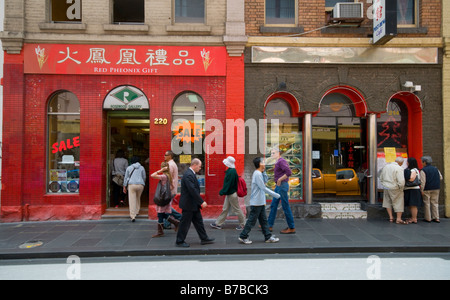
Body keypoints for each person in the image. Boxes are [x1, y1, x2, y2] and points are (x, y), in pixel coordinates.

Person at [239, 157, 280, 244]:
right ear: (259, 164)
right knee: (252, 221)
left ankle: (268, 236)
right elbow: (263, 187)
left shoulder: (260, 173)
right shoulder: (257, 174)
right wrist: (275, 195)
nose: (264, 163)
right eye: (263, 162)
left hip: (260, 202)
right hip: (256, 202)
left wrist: (264, 171)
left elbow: (265, 180)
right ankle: (243, 236)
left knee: (263, 220)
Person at [176, 159, 215, 247]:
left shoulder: (191, 174)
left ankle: (204, 238)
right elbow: (192, 190)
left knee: (199, 222)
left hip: (193, 204)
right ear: (195, 165)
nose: (200, 168)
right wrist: (201, 201)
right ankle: (179, 241)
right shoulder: (188, 175)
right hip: (188, 204)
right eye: (199, 166)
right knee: (185, 223)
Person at [210, 156, 246, 230]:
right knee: (226, 209)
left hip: (231, 194)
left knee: (236, 209)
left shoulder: (231, 171)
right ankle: (218, 223)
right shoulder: (232, 171)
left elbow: (228, 184)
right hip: (231, 193)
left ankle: (243, 224)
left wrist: (222, 191)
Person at [267, 148, 296, 234]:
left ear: (278, 153)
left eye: (273, 153)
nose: (272, 155)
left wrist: (279, 179)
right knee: (273, 205)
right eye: (271, 153)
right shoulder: (277, 162)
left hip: (282, 186)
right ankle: (269, 225)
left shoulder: (281, 161)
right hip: (279, 186)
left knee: (285, 206)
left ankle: (291, 227)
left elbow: (289, 172)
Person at [151, 161, 180, 237]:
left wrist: (160, 171)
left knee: (160, 214)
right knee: (162, 214)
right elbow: (172, 186)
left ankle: (160, 232)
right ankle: (176, 223)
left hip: (162, 198)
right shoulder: (169, 176)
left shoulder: (164, 177)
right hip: (167, 197)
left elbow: (152, 175)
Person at [379, 156, 407, 224]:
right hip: (395, 187)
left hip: (386, 187)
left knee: (387, 202)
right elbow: (401, 181)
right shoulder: (399, 168)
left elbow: (381, 177)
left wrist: (383, 184)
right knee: (398, 202)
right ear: (401, 163)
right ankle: (398, 218)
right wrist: (401, 187)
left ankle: (391, 217)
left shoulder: (386, 167)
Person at [123, 156, 146, 222]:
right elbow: (144, 177)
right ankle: (137, 211)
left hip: (132, 184)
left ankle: (133, 216)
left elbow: (126, 177)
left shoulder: (129, 168)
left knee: (132, 200)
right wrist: (142, 183)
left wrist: (124, 186)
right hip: (140, 185)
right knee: (138, 197)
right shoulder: (142, 168)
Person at [420, 156, 443, 223]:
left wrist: (422, 190)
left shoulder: (423, 170)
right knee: (435, 202)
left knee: (427, 203)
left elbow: (423, 182)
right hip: (436, 187)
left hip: (427, 188)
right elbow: (440, 177)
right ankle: (436, 217)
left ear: (425, 162)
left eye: (422, 162)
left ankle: (428, 218)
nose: (422, 163)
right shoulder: (436, 169)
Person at [163, 150, 182, 229]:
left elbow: (168, 178)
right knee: (167, 206)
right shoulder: (172, 164)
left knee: (166, 207)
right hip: (171, 189)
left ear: (170, 156)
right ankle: (167, 223)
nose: (164, 156)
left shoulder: (170, 165)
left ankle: (180, 218)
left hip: (169, 189)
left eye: (165, 155)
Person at [404, 157, 423, 224]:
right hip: (411, 189)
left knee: (413, 205)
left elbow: (411, 179)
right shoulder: (413, 170)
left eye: (407, 161)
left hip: (413, 190)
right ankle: (412, 217)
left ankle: (414, 218)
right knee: (410, 205)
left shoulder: (413, 170)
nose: (406, 163)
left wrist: (405, 179)